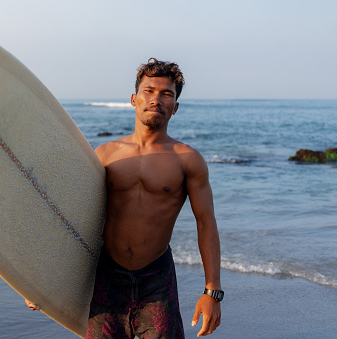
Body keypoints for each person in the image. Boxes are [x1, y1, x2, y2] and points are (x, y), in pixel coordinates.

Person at [27, 58, 222, 338]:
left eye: (167, 94)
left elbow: (206, 222)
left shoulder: (188, 160)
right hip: (107, 275)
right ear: (134, 98)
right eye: (149, 91)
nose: (156, 99)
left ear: (175, 107)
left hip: (157, 278)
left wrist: (212, 292)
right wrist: (42, 280)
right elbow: (71, 219)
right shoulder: (105, 155)